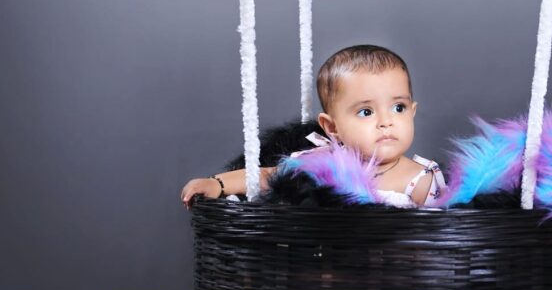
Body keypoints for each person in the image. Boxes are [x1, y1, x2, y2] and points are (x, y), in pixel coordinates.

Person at [180, 45, 445, 208]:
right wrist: (217, 184)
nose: (386, 121)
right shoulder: (323, 163)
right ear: (332, 127)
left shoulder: (421, 179)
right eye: (366, 112)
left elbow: (440, 236)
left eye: (398, 108)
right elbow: (266, 176)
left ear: (412, 112)